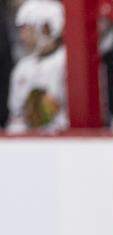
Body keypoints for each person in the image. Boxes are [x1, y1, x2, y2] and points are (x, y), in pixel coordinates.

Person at [7, 0, 67, 134]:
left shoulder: (67, 62)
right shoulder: (22, 68)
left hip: (62, 141)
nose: (22, 36)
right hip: (30, 143)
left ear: (45, 28)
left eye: (27, 28)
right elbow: (15, 116)